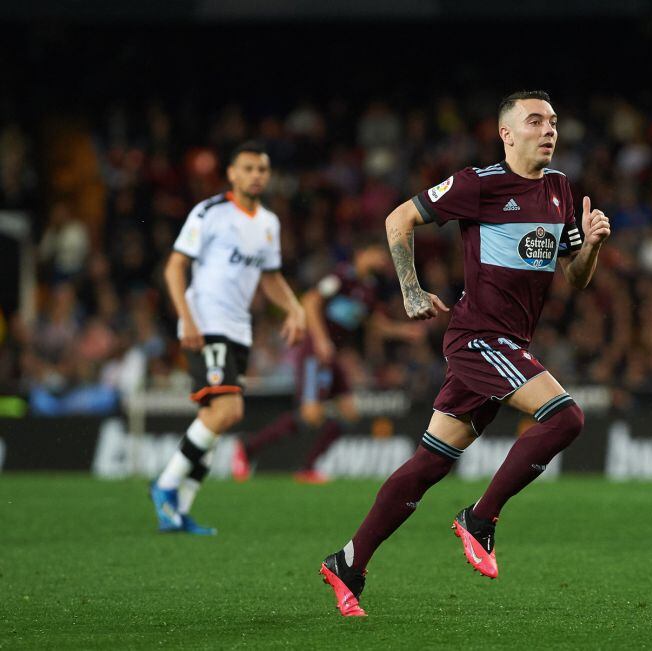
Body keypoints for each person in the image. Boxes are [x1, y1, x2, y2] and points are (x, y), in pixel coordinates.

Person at [318, 90, 611, 617]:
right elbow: (397, 220)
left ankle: (349, 562)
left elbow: (576, 277)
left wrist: (589, 245)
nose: (550, 130)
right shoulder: (479, 184)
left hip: (509, 344)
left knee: (429, 463)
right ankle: (480, 519)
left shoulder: (561, 189)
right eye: (535, 121)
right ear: (506, 134)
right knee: (566, 417)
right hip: (479, 339)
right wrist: (409, 290)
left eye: (554, 122)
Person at [150, 141, 306, 535]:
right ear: (232, 174)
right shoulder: (210, 213)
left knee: (214, 419)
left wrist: (295, 308)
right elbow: (173, 268)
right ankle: (165, 485)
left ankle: (178, 512)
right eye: (249, 168)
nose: (257, 175)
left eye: (263, 169)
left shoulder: (269, 223)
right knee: (228, 412)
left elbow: (270, 278)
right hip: (207, 321)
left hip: (239, 329)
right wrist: (186, 320)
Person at [233, 240, 423, 483]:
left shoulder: (368, 287)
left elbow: (375, 324)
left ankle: (308, 468)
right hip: (316, 349)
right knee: (311, 414)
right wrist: (322, 340)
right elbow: (311, 301)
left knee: (349, 413)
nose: (382, 261)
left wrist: (404, 332)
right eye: (378, 254)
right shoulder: (342, 275)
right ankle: (247, 450)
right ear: (362, 253)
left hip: (332, 354)